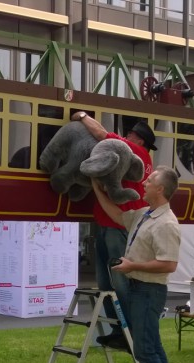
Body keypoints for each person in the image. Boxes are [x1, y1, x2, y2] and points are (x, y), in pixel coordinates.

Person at [92, 165, 181, 363]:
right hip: (137, 288)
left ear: (160, 189)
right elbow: (119, 217)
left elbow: (169, 264)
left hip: (148, 291)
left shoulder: (166, 224)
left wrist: (133, 266)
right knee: (153, 348)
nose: (144, 183)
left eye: (150, 180)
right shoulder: (145, 214)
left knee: (144, 351)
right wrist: (99, 192)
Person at [70, 110, 155, 347]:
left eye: (130, 135)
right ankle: (120, 330)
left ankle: (128, 331)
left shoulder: (134, 151)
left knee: (117, 283)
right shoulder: (144, 159)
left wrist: (83, 116)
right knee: (107, 284)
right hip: (110, 224)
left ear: (139, 142)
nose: (126, 137)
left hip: (117, 224)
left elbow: (101, 134)